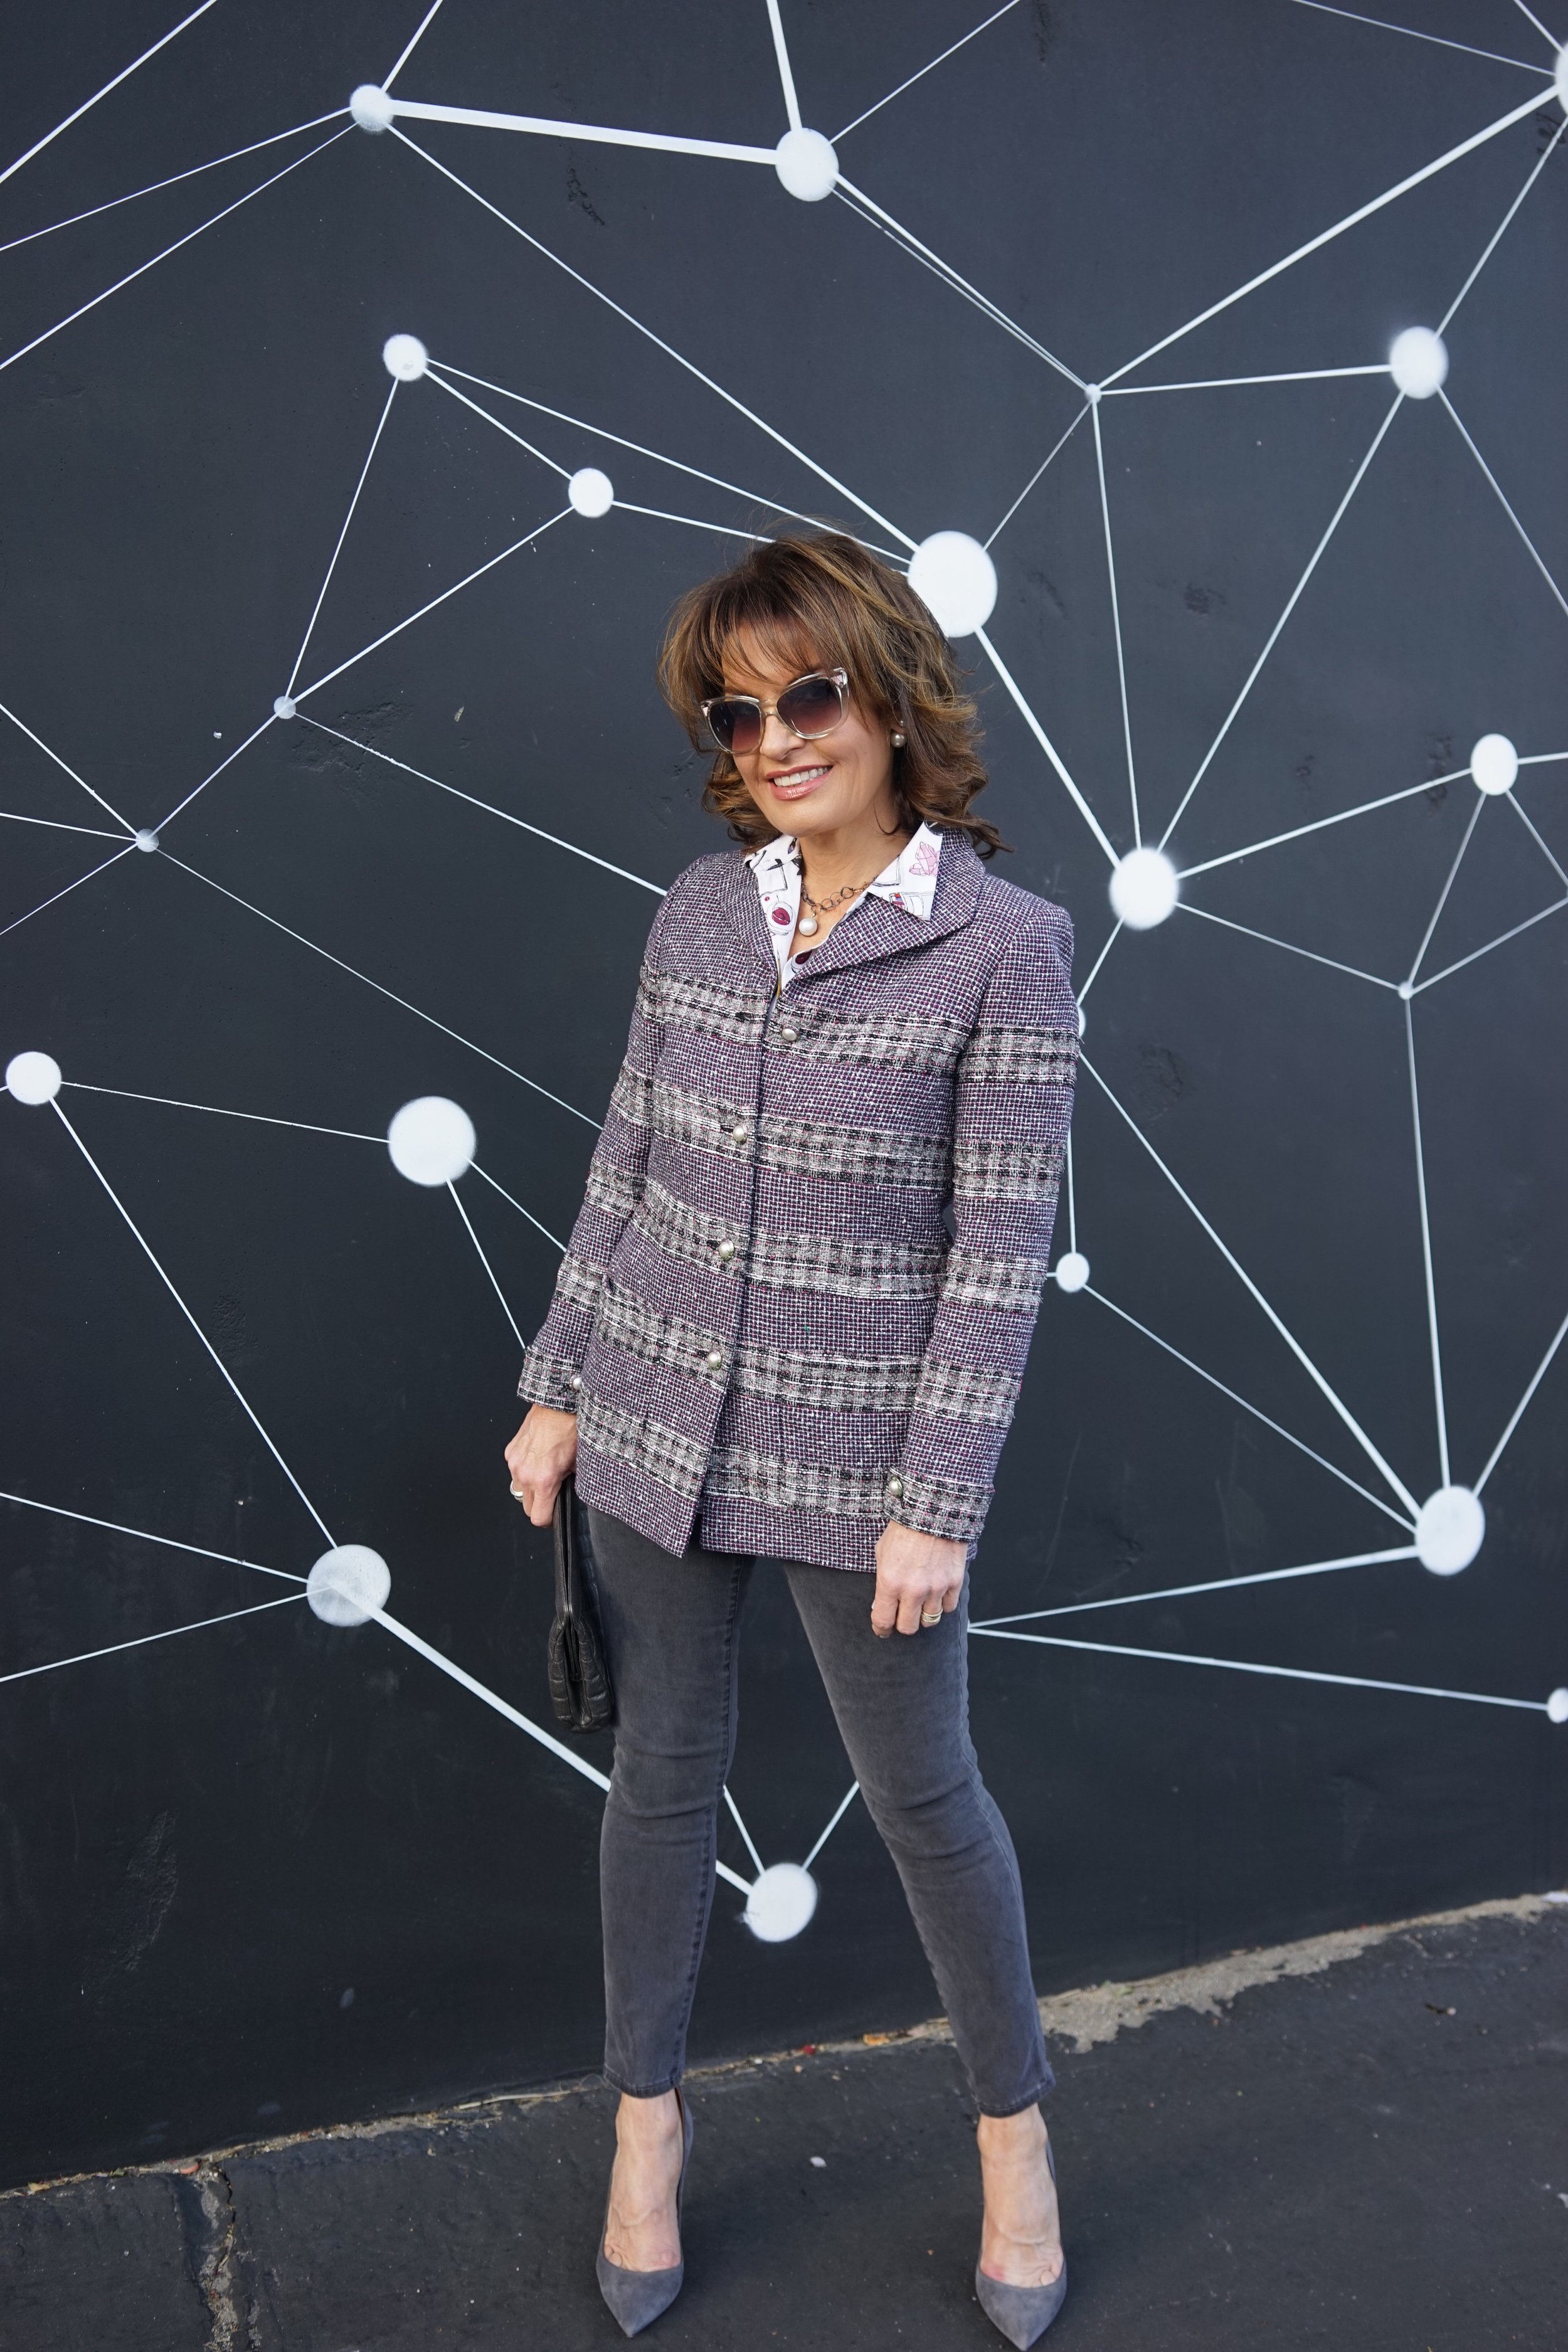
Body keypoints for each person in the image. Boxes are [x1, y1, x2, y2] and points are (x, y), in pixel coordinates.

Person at [504, 528, 1078, 2346]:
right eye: (738, 710)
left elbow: (998, 1254)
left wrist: (933, 1504)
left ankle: (1015, 2146)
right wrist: (558, 1381)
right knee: (660, 1780)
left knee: (923, 1803)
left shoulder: (1005, 948)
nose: (776, 736)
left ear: (891, 696)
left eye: (808, 692)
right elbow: (626, 1161)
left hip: (862, 1471)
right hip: (654, 1420)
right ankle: (646, 2135)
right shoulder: (695, 907)